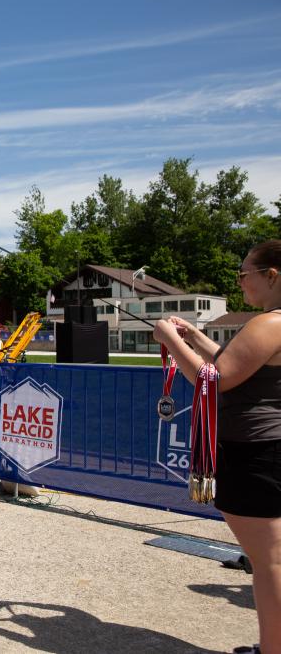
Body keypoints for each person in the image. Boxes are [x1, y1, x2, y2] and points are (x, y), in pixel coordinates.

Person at [154, 239, 281, 654]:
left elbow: (216, 379)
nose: (240, 281)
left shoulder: (269, 324)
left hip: (254, 454)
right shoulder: (270, 325)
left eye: (245, 274)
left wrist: (169, 340)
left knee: (270, 563)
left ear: (272, 276)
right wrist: (192, 336)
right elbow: (235, 362)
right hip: (267, 450)